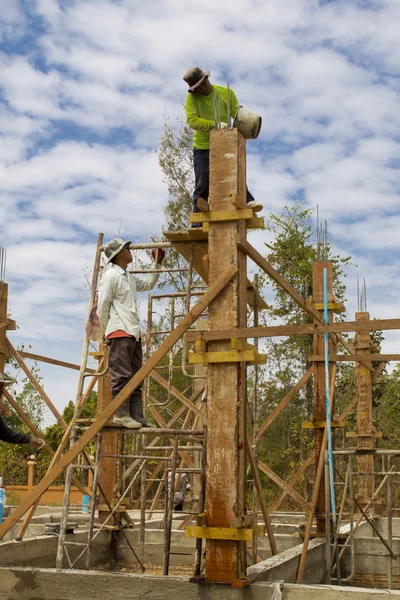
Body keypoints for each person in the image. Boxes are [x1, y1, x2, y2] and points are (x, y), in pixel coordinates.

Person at [97, 238, 165, 429]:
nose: (130, 250)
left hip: (133, 332)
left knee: (136, 374)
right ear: (119, 254)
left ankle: (136, 416)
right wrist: (107, 332)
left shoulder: (128, 277)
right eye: (127, 248)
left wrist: (157, 263)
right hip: (119, 331)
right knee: (121, 374)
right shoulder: (111, 275)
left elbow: (149, 284)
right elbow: (102, 306)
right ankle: (121, 414)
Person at [183, 66, 263, 225]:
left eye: (198, 87)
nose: (197, 91)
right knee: (202, 183)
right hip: (203, 146)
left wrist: (247, 126)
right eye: (194, 89)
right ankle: (197, 222)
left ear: (205, 80)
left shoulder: (226, 93)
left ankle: (247, 200)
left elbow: (239, 117)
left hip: (224, 143)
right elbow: (192, 121)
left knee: (233, 173)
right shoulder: (192, 99)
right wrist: (215, 125)